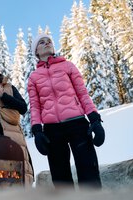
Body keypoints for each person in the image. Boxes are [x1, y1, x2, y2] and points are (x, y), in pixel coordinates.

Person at [27, 33, 105, 190]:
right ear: (36, 51)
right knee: (60, 177)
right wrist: (37, 131)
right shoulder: (34, 77)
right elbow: (35, 105)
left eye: (49, 41)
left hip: (77, 124)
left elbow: (82, 93)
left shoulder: (67, 66)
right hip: (52, 130)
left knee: (88, 171)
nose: (47, 43)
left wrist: (95, 119)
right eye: (42, 42)